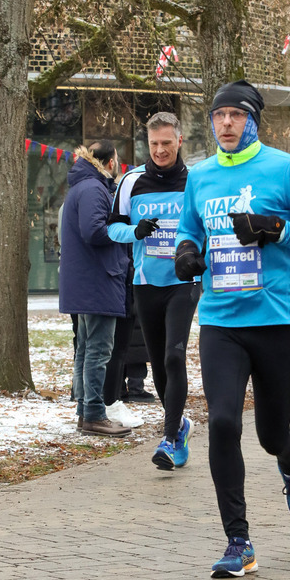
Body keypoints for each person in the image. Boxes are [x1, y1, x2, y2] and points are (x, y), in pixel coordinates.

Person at [175, 80, 290, 577]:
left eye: (235, 116)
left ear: (252, 121)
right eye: (218, 115)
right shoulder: (199, 177)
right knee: (222, 421)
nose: (225, 123)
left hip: (279, 320)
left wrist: (275, 228)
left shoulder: (285, 169)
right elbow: (188, 231)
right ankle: (238, 540)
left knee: (268, 433)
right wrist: (185, 252)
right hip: (222, 319)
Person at [108, 112, 200, 468]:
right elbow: (112, 229)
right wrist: (136, 232)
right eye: (154, 144)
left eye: (167, 143)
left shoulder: (194, 182)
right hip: (146, 283)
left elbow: (206, 227)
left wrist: (197, 256)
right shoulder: (131, 182)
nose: (160, 150)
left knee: (175, 355)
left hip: (183, 282)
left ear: (179, 141)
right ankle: (179, 424)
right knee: (159, 362)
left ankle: (170, 437)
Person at [58, 141, 131, 437]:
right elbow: (94, 231)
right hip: (98, 281)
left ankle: (84, 412)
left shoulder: (82, 186)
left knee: (86, 350)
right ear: (110, 163)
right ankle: (94, 414)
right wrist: (125, 228)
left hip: (87, 282)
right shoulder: (93, 189)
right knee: (98, 351)